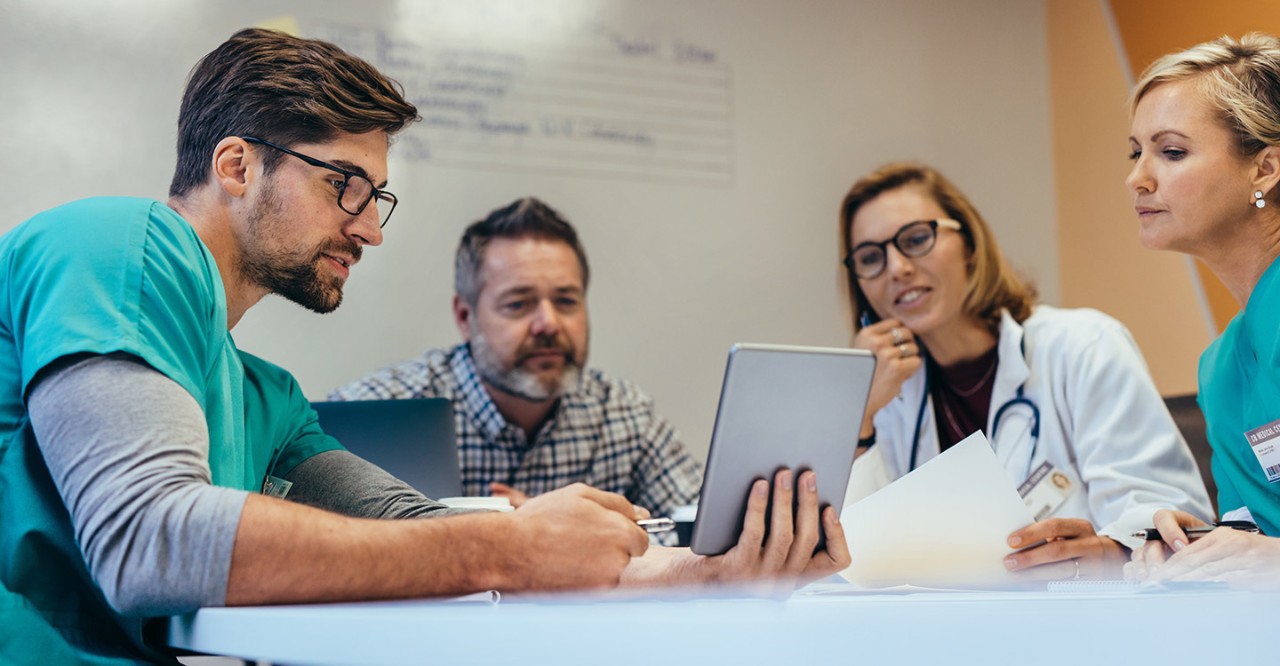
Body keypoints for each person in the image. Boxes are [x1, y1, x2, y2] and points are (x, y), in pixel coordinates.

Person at [0, 28, 849, 664]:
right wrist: (514, 546)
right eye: (346, 186)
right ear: (235, 166)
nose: (369, 228)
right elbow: (149, 540)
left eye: (378, 197)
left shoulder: (268, 399)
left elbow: (414, 533)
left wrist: (695, 573)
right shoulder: (117, 243)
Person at [839, 162, 1212, 581]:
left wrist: (1109, 553)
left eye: (916, 239)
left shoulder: (1081, 346)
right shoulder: (887, 399)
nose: (896, 268)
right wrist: (861, 413)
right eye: (870, 258)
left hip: (1090, 623)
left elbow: (1168, 517)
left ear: (969, 244)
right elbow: (855, 560)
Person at [328, 197, 702, 531]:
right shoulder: (374, 412)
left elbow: (704, 532)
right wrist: (519, 536)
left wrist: (593, 531)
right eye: (518, 304)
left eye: (567, 301)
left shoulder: (624, 413)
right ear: (464, 316)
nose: (549, 324)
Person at [1123, 33, 1280, 591]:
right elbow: (1258, 535)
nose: (1137, 177)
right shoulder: (1220, 368)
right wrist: (1203, 546)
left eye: (1171, 152)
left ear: (1264, 169)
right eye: (1136, 152)